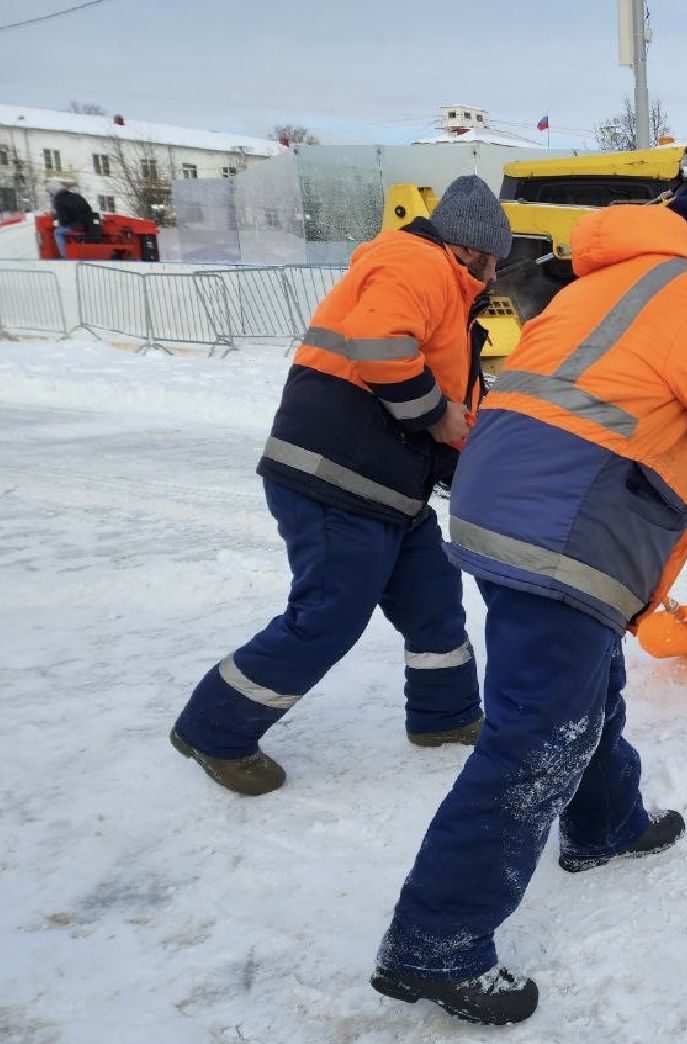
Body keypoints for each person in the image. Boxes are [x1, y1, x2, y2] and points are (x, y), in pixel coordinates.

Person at [371, 175, 687, 1024]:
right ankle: (436, 943)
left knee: (585, 683)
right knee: (536, 737)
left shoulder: (601, 290)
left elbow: (642, 436)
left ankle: (606, 823)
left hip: (511, 499)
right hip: (562, 521)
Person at [171, 175, 512, 796]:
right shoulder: (415, 263)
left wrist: (474, 457)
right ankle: (212, 729)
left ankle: (447, 718)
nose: (494, 279)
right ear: (472, 251)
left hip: (388, 490)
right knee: (329, 614)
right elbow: (382, 349)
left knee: (433, 601)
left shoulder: (442, 286)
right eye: (493, 265)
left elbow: (448, 395)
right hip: (334, 480)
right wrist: (438, 416)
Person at [51, 180, 95, 258]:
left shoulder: (59, 200)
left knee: (57, 232)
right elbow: (88, 209)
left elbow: (65, 218)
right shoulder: (77, 196)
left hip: (76, 226)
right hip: (88, 224)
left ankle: (64, 255)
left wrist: (62, 224)